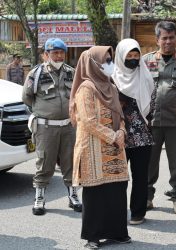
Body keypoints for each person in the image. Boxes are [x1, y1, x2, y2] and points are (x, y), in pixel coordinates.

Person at [70, 46, 130, 249]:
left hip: (115, 146)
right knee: (95, 194)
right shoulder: (86, 88)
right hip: (93, 148)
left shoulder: (111, 86)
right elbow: (87, 120)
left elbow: (120, 115)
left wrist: (121, 131)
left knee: (116, 190)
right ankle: (93, 237)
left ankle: (117, 233)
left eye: (110, 60)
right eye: (105, 61)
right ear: (92, 64)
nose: (109, 65)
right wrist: (113, 136)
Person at [22, 38, 82, 216]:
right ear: (45, 55)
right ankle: (39, 197)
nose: (58, 56)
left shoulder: (72, 72)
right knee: (44, 162)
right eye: (54, 52)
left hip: (68, 126)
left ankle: (73, 196)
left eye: (61, 52)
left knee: (70, 162)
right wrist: (45, 111)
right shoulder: (36, 74)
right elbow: (27, 97)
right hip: (46, 127)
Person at [143, 21, 176, 214]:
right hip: (150, 121)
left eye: (172, 38)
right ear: (157, 40)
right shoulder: (145, 61)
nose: (168, 42)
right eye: (164, 38)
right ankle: (146, 197)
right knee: (148, 162)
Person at [112, 38, 154, 225]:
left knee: (140, 176)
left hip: (142, 135)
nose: (133, 58)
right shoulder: (112, 78)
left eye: (136, 55)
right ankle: (117, 213)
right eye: (129, 55)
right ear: (121, 56)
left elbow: (152, 103)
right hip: (118, 135)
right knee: (118, 178)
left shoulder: (145, 76)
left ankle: (138, 213)